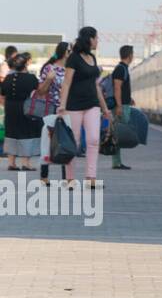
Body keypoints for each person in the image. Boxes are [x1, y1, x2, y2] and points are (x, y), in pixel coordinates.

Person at [57, 26, 111, 188]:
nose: (98, 41)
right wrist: (62, 106)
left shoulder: (93, 58)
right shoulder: (73, 58)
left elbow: (96, 85)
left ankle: (91, 178)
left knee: (93, 139)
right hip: (73, 106)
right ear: (89, 39)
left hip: (92, 104)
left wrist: (105, 108)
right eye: (96, 38)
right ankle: (70, 179)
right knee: (73, 142)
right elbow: (66, 83)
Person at [36, 42, 70, 186]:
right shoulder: (49, 68)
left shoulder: (71, 69)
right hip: (50, 109)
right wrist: (49, 79)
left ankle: (66, 177)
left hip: (67, 109)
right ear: (64, 52)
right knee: (47, 142)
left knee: (65, 141)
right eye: (70, 50)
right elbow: (40, 91)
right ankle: (44, 177)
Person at [2, 53, 42, 171]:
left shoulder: (8, 78)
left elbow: (3, 93)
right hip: (25, 107)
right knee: (26, 132)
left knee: (11, 133)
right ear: (26, 65)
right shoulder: (31, 78)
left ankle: (11, 162)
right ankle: (25, 163)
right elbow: (38, 91)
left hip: (10, 108)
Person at [109, 45, 134, 171]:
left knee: (118, 133)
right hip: (121, 106)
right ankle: (116, 162)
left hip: (124, 103)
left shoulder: (123, 68)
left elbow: (122, 88)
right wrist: (119, 106)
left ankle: (117, 162)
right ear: (130, 55)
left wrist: (129, 98)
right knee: (118, 133)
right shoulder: (121, 69)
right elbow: (117, 87)